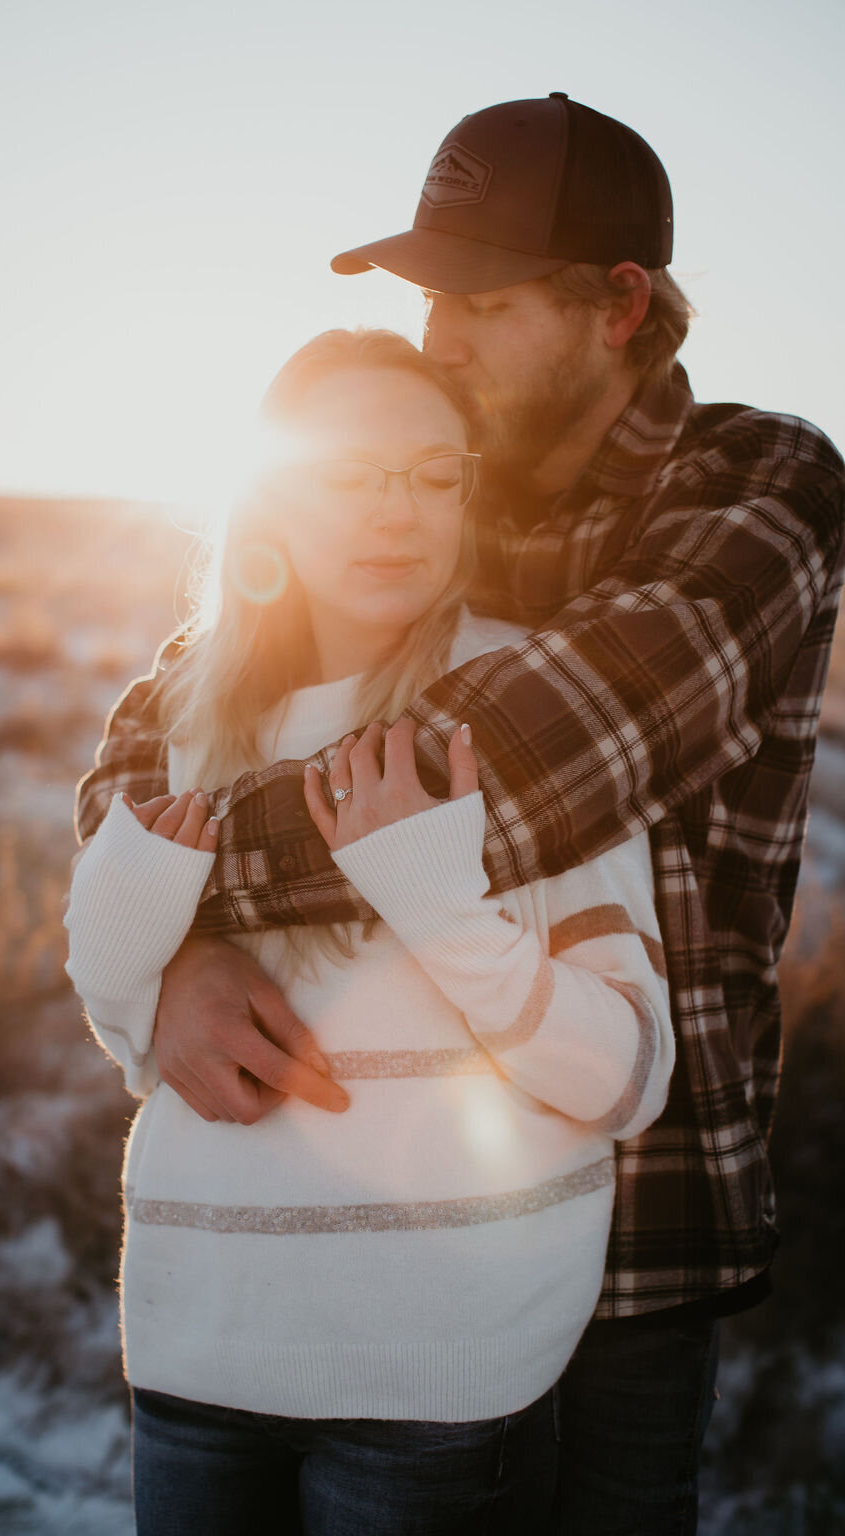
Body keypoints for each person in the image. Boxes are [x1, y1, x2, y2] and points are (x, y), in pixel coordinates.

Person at [76, 96, 845, 1534]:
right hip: (357, 1241)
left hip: (636, 1221)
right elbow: (152, 734)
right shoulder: (435, 474)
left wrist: (179, 877)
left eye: (480, 302)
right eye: (431, 298)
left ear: (619, 305)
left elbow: (530, 762)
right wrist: (165, 958)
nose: (440, 340)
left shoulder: (760, 483)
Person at [65, 327, 675, 1535]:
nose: (396, 510)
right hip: (197, 1355)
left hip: (436, 1377)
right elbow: (128, 1024)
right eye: (349, 471)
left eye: (432, 473)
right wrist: (148, 971)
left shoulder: (524, 708)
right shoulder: (178, 725)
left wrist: (443, 910)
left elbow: (629, 1075)